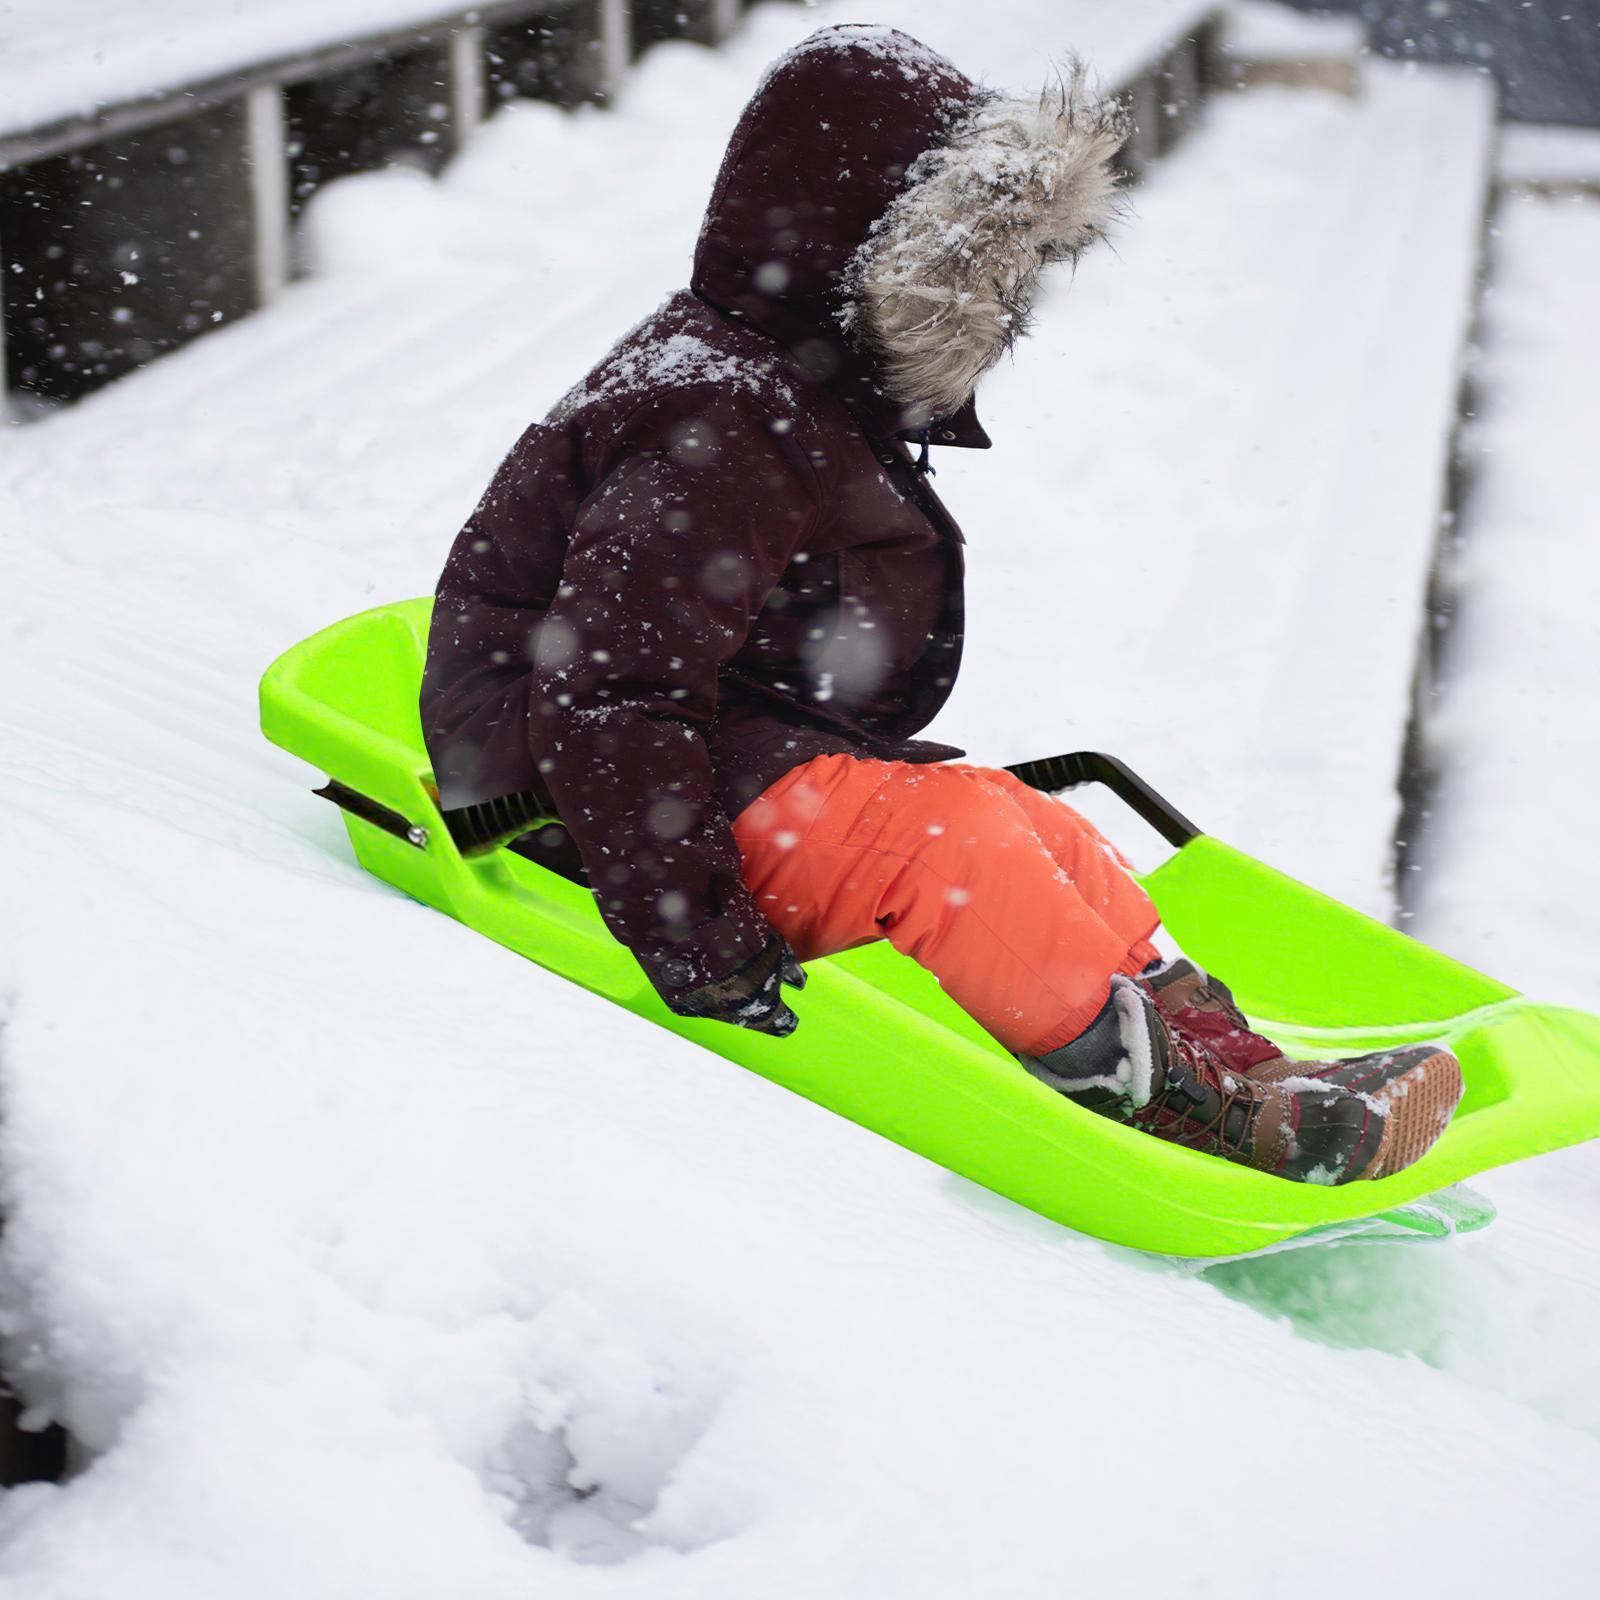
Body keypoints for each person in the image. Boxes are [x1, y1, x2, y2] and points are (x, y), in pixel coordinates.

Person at [419, 24, 1462, 1185]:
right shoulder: (717, 423)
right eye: (979, 264)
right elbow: (612, 689)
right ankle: (1178, 1103)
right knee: (944, 848)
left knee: (1019, 818)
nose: (1002, 297)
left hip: (695, 746)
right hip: (570, 795)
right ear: (862, 246)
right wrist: (694, 935)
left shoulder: (781, 380)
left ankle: (1237, 1063)